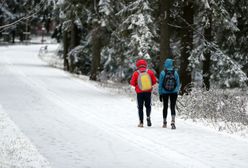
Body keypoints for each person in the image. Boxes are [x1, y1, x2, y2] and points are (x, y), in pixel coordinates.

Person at [130, 59, 157, 127]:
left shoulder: (136, 73)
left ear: (138, 65)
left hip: (140, 93)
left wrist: (137, 85)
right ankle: (148, 117)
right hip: (148, 91)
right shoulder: (150, 72)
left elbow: (132, 83)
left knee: (140, 107)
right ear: (145, 64)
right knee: (148, 106)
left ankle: (141, 122)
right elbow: (154, 82)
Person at [158, 58, 180, 129]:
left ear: (165, 64)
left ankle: (164, 122)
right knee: (172, 107)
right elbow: (178, 83)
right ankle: (173, 122)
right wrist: (176, 91)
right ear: (171, 64)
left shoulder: (163, 73)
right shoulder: (175, 73)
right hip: (174, 92)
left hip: (164, 92)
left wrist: (160, 93)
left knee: (165, 107)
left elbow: (160, 84)